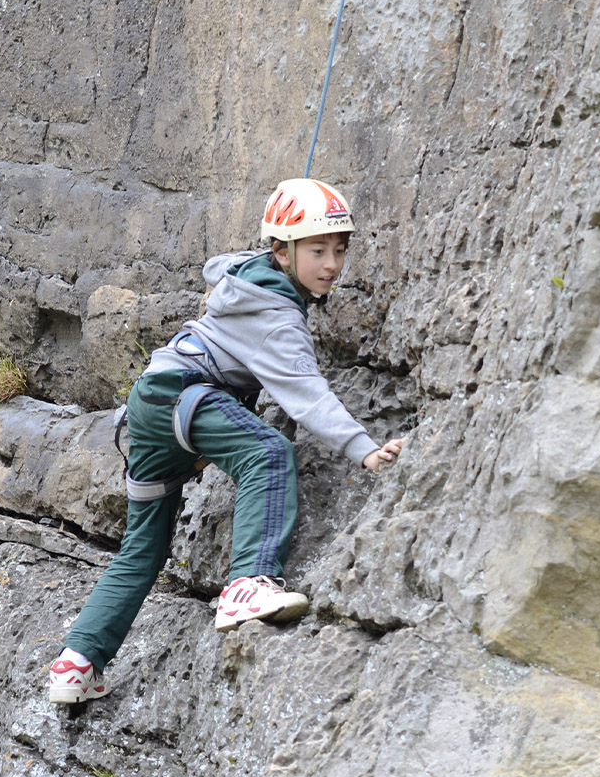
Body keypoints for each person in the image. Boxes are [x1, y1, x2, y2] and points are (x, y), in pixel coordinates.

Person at [48, 178, 406, 704]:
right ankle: (248, 584)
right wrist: (363, 447)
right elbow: (306, 394)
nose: (331, 264)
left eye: (338, 250)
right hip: (186, 395)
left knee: (143, 551)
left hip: (150, 405)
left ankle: (77, 662)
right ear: (282, 251)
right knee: (267, 452)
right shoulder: (278, 315)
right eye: (317, 250)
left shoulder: (243, 274)